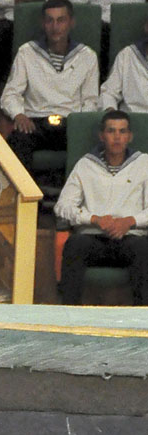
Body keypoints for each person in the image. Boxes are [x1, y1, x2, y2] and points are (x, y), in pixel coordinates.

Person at [54, 109, 148, 303]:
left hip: (130, 238)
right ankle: (68, 319)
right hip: (93, 237)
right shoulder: (85, 165)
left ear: (130, 136)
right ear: (101, 135)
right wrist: (94, 219)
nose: (117, 137)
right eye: (111, 131)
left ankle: (142, 321)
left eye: (122, 132)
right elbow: (62, 206)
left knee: (143, 249)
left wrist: (129, 221)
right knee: (74, 244)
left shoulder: (143, 163)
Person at [0, 0, 99, 176]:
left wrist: (80, 127)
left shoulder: (87, 56)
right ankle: (26, 200)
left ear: (71, 23)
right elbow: (10, 94)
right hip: (35, 122)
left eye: (61, 20)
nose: (55, 27)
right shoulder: (27, 52)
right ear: (43, 23)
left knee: (93, 144)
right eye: (50, 20)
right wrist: (19, 114)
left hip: (71, 123)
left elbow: (90, 101)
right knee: (18, 141)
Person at [99, 15, 148, 112]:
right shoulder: (127, 55)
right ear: (147, 27)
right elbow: (109, 93)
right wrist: (111, 113)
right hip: (131, 121)